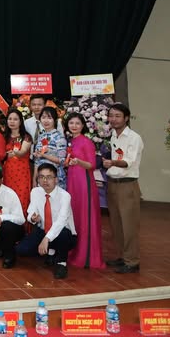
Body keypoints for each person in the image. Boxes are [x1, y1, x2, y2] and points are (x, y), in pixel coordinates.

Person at [17, 163, 77, 279]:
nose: (45, 181)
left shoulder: (65, 196)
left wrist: (46, 239)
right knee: (21, 250)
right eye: (41, 177)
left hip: (63, 233)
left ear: (56, 179)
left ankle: (61, 263)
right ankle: (50, 251)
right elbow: (31, 211)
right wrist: (33, 218)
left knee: (63, 234)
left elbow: (61, 221)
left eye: (49, 177)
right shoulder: (35, 192)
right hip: (43, 230)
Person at [102, 102, 142, 274]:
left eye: (117, 116)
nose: (113, 119)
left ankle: (132, 261)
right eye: (111, 115)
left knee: (129, 225)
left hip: (127, 185)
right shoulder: (113, 136)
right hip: (113, 183)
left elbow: (129, 162)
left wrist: (112, 162)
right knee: (116, 224)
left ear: (126, 118)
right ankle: (122, 256)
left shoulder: (134, 137)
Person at [63, 112, 105, 270]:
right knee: (75, 216)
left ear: (82, 126)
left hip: (84, 183)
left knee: (85, 216)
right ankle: (75, 251)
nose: (74, 126)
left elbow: (92, 165)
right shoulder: (71, 141)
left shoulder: (86, 142)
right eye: (71, 123)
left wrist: (78, 161)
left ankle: (87, 256)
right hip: (73, 182)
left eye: (77, 123)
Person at [3, 108, 32, 215]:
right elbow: (0, 154)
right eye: (10, 119)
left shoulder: (26, 137)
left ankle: (22, 224)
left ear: (20, 121)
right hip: (7, 173)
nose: (12, 121)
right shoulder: (4, 137)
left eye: (15, 119)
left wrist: (15, 153)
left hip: (22, 173)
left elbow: (22, 152)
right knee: (8, 200)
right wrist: (6, 155)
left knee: (21, 199)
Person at [33, 106, 68, 189]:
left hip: (55, 178)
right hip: (41, 178)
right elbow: (37, 161)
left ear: (55, 120)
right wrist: (34, 179)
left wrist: (44, 155)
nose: (46, 121)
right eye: (43, 117)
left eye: (49, 118)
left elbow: (62, 161)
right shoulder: (41, 137)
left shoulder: (59, 137)